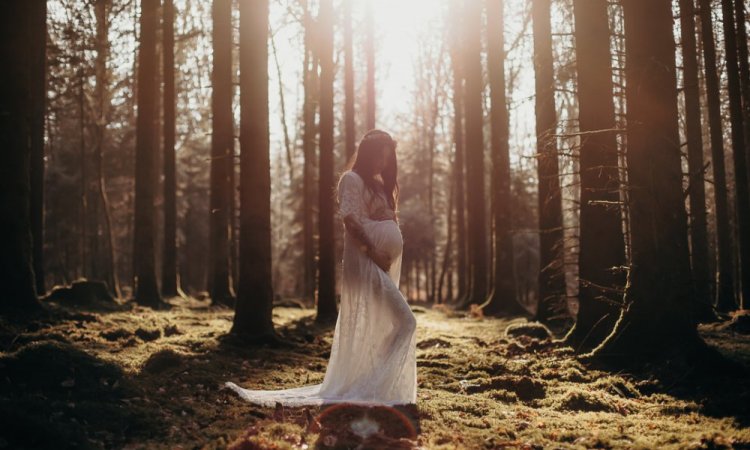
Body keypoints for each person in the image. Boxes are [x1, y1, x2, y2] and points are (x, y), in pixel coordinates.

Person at [225, 129, 417, 407]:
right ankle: (370, 384)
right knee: (406, 321)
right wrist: (374, 251)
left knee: (396, 323)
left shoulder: (377, 184)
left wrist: (387, 221)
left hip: (379, 265)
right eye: (379, 157)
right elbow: (351, 221)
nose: (382, 164)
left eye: (386, 159)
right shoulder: (351, 180)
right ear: (367, 153)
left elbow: (380, 218)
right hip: (365, 264)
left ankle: (372, 380)